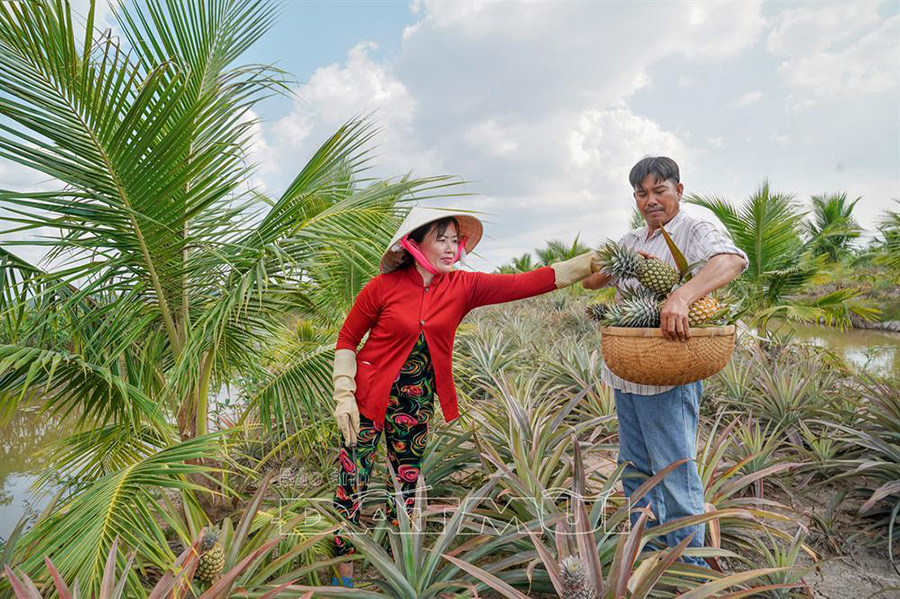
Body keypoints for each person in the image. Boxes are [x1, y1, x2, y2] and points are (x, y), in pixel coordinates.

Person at [330, 207, 601, 586]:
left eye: (455, 240)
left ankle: (397, 568)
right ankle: (342, 573)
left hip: (415, 405)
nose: (450, 248)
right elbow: (347, 339)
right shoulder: (381, 288)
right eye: (441, 239)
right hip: (364, 403)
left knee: (405, 485)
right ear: (414, 242)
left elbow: (526, 282)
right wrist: (344, 392)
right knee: (352, 483)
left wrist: (588, 262)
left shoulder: (464, 287)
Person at [582, 156, 748, 567]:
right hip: (629, 374)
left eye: (659, 190)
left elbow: (731, 259)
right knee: (634, 469)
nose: (651, 200)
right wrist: (615, 263)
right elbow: (589, 281)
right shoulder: (633, 238)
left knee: (673, 473)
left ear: (679, 189)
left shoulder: (694, 226)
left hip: (669, 374)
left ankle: (688, 568)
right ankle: (649, 552)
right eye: (642, 193)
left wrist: (681, 295)